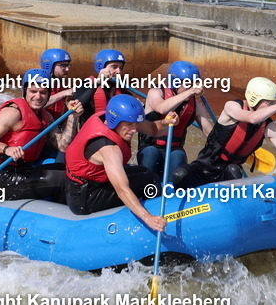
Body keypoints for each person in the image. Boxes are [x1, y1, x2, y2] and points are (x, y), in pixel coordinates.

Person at [172, 77, 276, 191]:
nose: (273, 107)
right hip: (203, 168)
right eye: (269, 103)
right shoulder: (232, 107)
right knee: (180, 174)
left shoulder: (270, 127)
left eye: (274, 102)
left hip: (228, 173)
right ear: (254, 98)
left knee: (233, 170)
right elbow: (252, 118)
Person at [65, 94, 177, 231]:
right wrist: (149, 218)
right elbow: (122, 190)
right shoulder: (109, 148)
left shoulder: (109, 118)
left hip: (94, 182)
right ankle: (155, 217)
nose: (135, 129)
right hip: (85, 198)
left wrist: (165, 122)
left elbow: (154, 129)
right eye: (130, 125)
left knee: (146, 174)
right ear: (115, 120)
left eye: (136, 124)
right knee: (150, 182)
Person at [0, 69, 83, 202]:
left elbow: (63, 146)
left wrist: (73, 116)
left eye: (43, 92)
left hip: (26, 170)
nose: (38, 97)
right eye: (33, 91)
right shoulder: (13, 112)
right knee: (63, 179)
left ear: (49, 94)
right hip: (8, 179)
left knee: (72, 172)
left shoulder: (46, 117)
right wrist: (6, 149)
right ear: (25, 91)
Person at [137, 60, 214, 178]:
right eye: (188, 84)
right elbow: (161, 109)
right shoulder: (156, 93)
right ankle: (146, 187)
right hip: (149, 148)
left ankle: (173, 189)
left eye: (195, 83)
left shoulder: (196, 106)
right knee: (151, 153)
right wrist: (191, 91)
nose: (193, 88)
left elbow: (210, 133)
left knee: (178, 155)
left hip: (174, 150)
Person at [73, 49, 126, 124]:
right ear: (101, 67)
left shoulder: (119, 87)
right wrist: (98, 82)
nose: (119, 71)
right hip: (92, 129)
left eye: (121, 67)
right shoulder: (86, 84)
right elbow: (77, 104)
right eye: (114, 67)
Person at [39, 48, 74, 117]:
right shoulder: (38, 82)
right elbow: (35, 105)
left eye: (68, 65)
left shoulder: (61, 83)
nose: (67, 69)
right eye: (63, 65)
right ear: (50, 65)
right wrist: (64, 93)